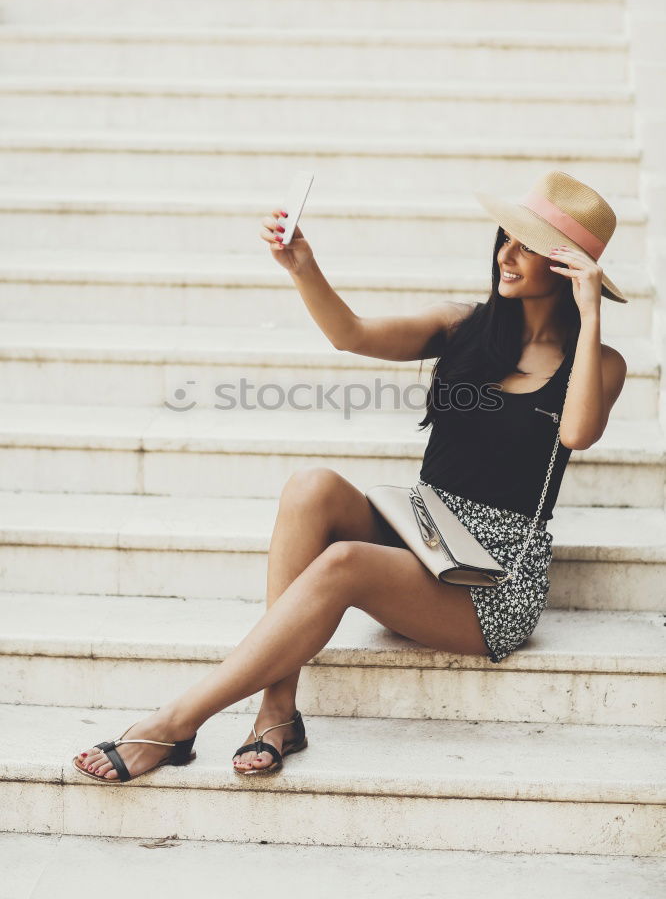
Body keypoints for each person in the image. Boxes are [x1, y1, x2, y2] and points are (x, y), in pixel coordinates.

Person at [72, 170, 628, 783]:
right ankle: (277, 710)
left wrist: (590, 313)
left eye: (526, 246)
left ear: (567, 266)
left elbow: (576, 433)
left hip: (492, 584)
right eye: (505, 239)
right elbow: (351, 334)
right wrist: (302, 266)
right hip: (425, 535)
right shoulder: (463, 327)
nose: (506, 255)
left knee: (345, 564)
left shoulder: (600, 363)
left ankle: (175, 723)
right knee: (310, 488)